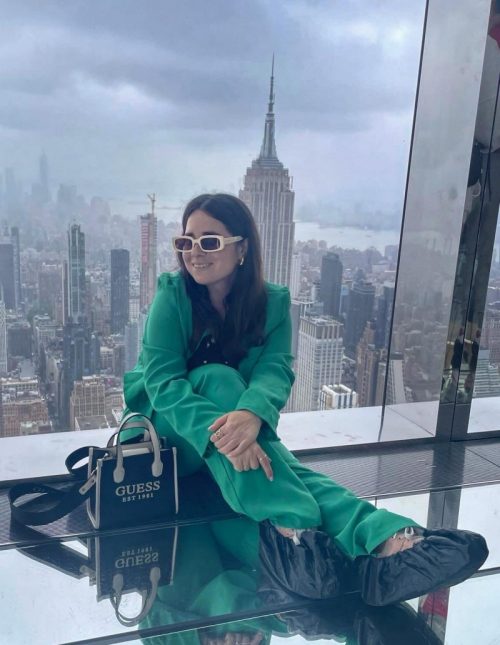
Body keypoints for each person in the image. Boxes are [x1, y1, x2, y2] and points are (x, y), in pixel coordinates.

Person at [123, 193, 487, 606]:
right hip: (166, 440)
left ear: (242, 248)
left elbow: (274, 369)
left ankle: (384, 543)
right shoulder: (172, 296)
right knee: (220, 381)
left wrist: (251, 414)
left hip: (236, 441)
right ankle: (297, 528)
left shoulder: (271, 303)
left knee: (285, 467)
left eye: (209, 241)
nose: (194, 252)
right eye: (186, 242)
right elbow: (163, 382)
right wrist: (233, 429)